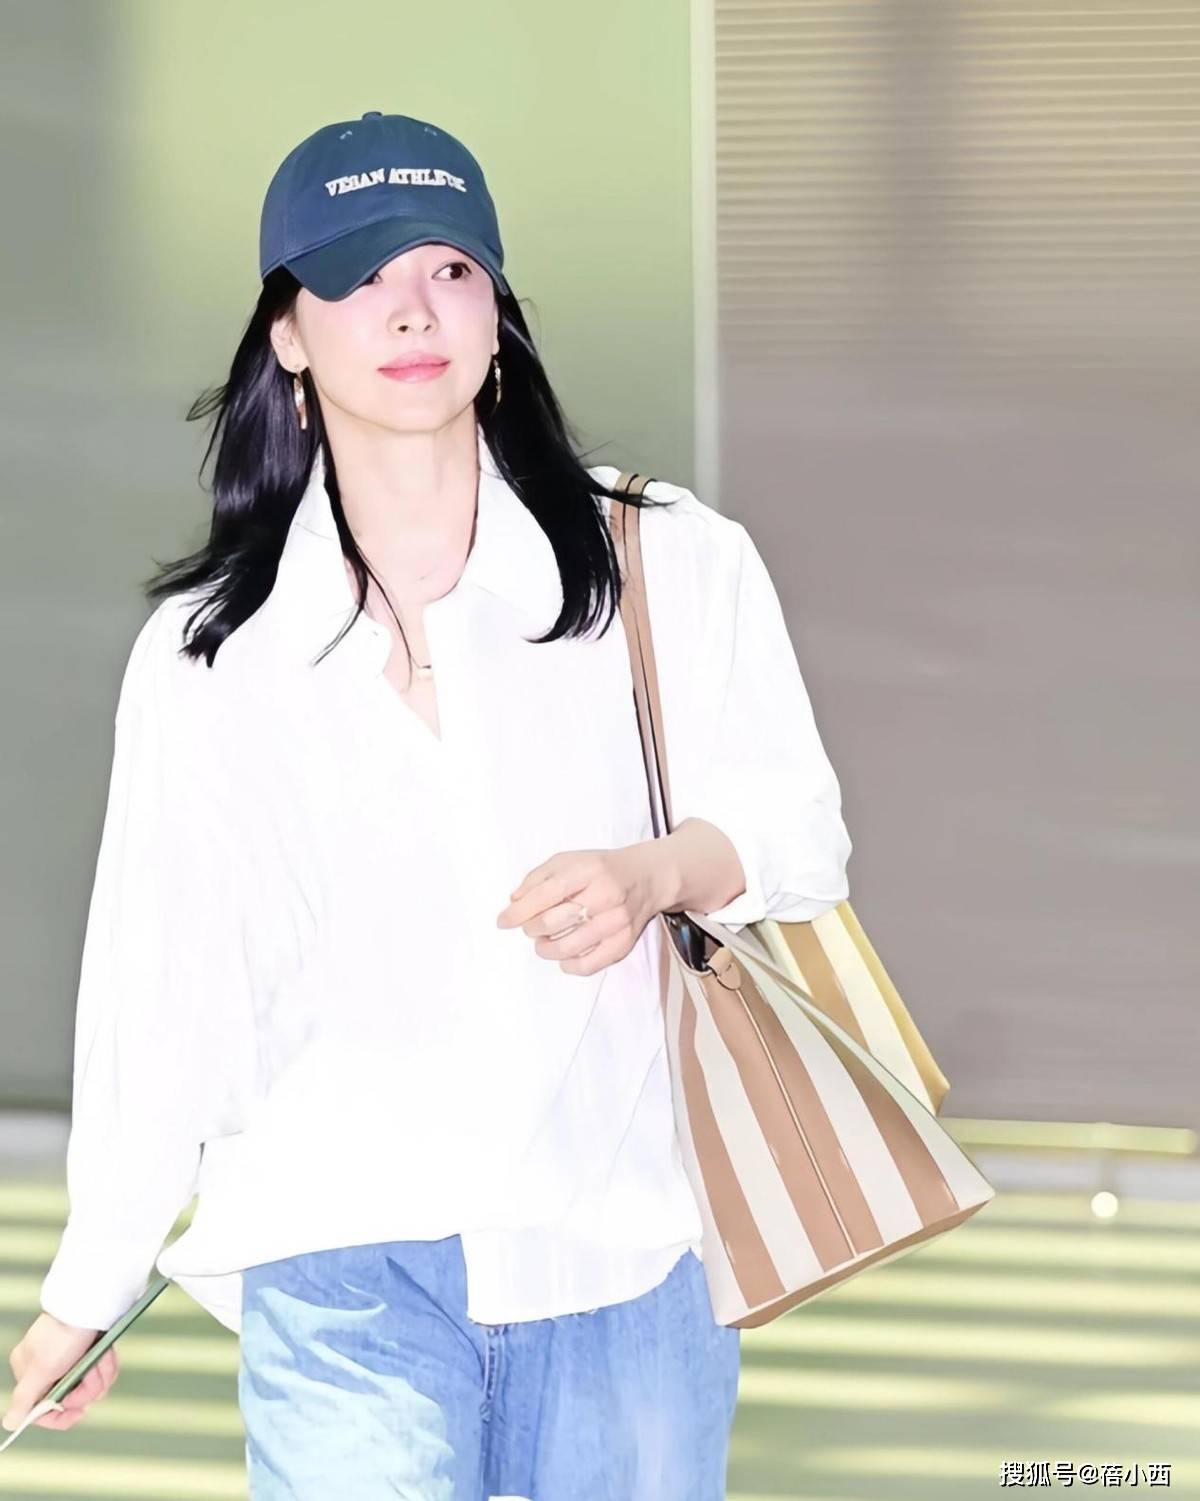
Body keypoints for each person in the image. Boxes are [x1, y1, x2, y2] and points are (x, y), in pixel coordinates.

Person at [2, 111, 852, 1498]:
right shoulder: (214, 655)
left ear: (497, 312)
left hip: (622, 1253)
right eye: (357, 275)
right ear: (287, 333)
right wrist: (87, 1287)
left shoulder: (666, 560)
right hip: (338, 1264)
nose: (412, 309)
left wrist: (653, 873)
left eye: (451, 269)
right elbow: (167, 994)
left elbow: (801, 832)